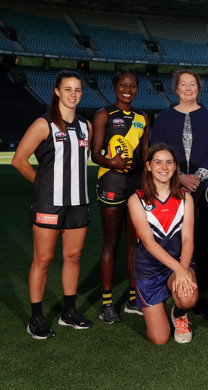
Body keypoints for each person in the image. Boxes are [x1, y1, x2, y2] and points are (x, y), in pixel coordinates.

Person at [12, 70, 94, 339]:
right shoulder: (43, 124)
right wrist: (42, 184)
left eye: (78, 90)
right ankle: (36, 318)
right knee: (44, 259)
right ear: (57, 91)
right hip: (49, 204)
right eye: (68, 89)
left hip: (79, 203)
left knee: (73, 257)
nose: (73, 94)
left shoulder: (86, 126)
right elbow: (19, 160)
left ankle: (68, 313)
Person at [150, 69, 208, 315]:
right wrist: (179, 176)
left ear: (198, 88)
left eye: (193, 84)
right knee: (171, 241)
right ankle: (169, 292)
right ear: (176, 88)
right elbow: (156, 150)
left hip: (203, 190)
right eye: (183, 84)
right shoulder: (163, 118)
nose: (188, 88)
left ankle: (201, 296)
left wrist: (198, 177)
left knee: (203, 243)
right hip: (171, 187)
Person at [92, 69, 149, 323]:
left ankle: (134, 299)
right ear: (115, 86)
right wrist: (112, 163)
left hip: (136, 187)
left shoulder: (143, 118)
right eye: (124, 85)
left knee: (135, 244)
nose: (128, 89)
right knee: (111, 244)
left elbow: (146, 156)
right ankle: (107, 304)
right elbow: (95, 155)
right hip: (112, 183)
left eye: (133, 85)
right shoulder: (104, 114)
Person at [128, 144, 197, 344]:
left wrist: (182, 271)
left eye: (169, 162)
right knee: (159, 338)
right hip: (148, 271)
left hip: (178, 264)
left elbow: (187, 239)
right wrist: (181, 271)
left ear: (176, 167)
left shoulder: (185, 198)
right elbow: (149, 244)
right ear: (149, 166)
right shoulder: (136, 200)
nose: (164, 167)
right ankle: (156, 306)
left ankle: (179, 313)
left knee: (187, 296)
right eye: (158, 162)